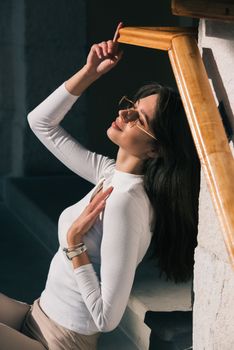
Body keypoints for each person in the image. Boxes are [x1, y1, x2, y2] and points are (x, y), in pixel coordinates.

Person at [0, 23, 200, 350]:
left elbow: (106, 318)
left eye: (138, 118)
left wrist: (75, 245)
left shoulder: (126, 202)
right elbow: (40, 123)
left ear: (156, 149)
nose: (124, 112)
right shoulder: (110, 174)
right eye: (132, 104)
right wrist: (90, 72)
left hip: (59, 342)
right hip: (36, 315)